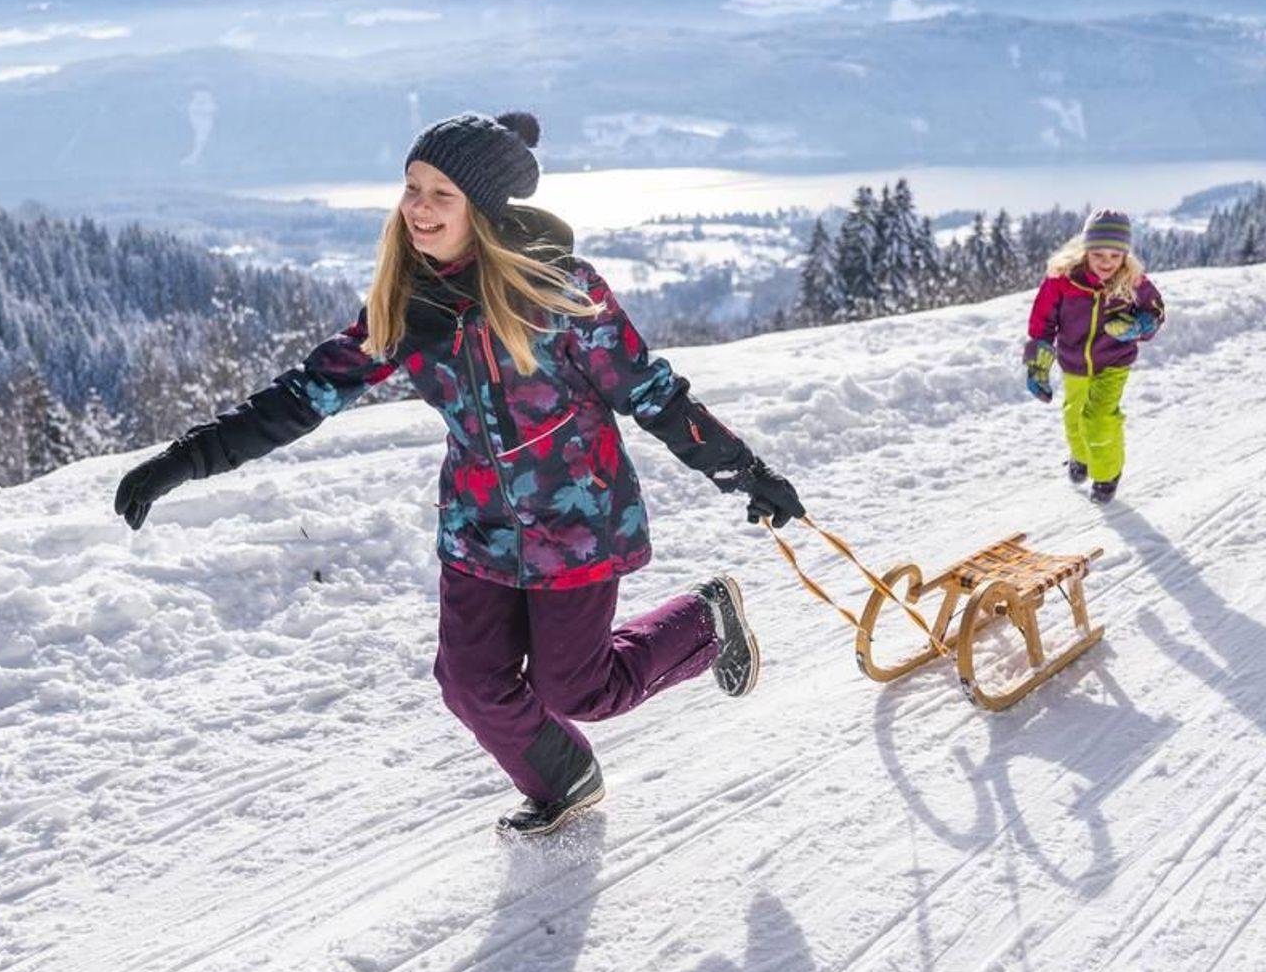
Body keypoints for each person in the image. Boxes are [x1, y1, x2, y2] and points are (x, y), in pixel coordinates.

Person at [112, 111, 806, 836]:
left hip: (579, 522)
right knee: (471, 684)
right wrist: (186, 458)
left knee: (579, 689)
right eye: (412, 187)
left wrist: (742, 470)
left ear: (482, 207)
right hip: (479, 528)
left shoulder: (560, 292)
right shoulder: (405, 304)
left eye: (442, 193)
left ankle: (704, 620)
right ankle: (562, 778)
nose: (419, 207)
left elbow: (651, 393)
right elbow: (302, 395)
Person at [1024, 209, 1165, 505]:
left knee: (1099, 418)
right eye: (1098, 254)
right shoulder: (1062, 280)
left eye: (1115, 256)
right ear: (1085, 249)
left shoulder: (1133, 281)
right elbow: (1042, 322)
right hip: (1074, 362)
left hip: (1114, 362)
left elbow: (1155, 311)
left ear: (1125, 255)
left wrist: (1139, 326)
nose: (1106, 263)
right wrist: (1037, 366)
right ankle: (1081, 457)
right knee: (1074, 417)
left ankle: (1107, 474)